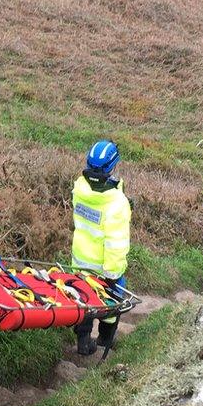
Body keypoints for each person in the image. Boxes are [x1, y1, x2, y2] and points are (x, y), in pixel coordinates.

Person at [71, 140, 131, 356]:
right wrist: (114, 273)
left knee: (83, 300)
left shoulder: (79, 188)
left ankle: (83, 342)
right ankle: (105, 339)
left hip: (79, 261)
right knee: (111, 304)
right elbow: (117, 242)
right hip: (105, 265)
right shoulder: (116, 202)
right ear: (113, 166)